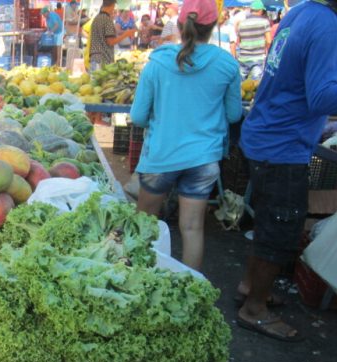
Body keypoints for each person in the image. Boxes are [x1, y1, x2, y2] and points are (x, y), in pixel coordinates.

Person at [236, 0, 337, 341]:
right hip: (282, 146)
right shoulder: (327, 27)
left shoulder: (303, 11)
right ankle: (254, 309)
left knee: (269, 220)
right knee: (280, 228)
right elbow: (323, 99)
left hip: (266, 134)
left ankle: (250, 287)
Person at [130, 0, 242, 271]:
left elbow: (138, 117)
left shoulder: (157, 63)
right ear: (214, 25)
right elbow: (234, 115)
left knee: (143, 223)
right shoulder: (227, 64)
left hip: (161, 156)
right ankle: (190, 289)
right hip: (203, 160)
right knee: (192, 228)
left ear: (180, 25)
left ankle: (134, 280)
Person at [88, 0, 137, 72]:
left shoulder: (96, 18)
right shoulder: (107, 20)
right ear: (112, 5)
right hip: (103, 59)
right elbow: (111, 41)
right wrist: (126, 34)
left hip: (94, 57)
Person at [235, 0, 271, 78]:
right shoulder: (265, 22)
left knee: (241, 84)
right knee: (256, 84)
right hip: (258, 57)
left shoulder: (241, 23)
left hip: (243, 57)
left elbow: (239, 41)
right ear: (261, 10)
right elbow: (268, 41)